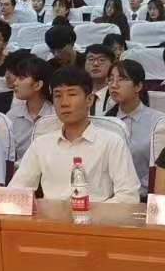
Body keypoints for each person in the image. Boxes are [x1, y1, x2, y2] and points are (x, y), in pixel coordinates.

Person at [10, 67, 140, 203]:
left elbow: (129, 196)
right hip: (51, 214)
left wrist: (91, 211)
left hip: (95, 213)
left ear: (89, 100)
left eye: (72, 94)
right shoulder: (41, 144)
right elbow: (17, 190)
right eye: (58, 96)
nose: (64, 103)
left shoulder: (111, 142)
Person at [100, 58, 162, 191]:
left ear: (138, 86)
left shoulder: (158, 121)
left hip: (146, 195)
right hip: (110, 194)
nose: (114, 85)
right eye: (110, 79)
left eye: (122, 79)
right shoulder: (104, 121)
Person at [6, 54, 57, 161]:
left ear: (37, 85)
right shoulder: (12, 116)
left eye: (21, 78)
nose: (15, 83)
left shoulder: (56, 116)